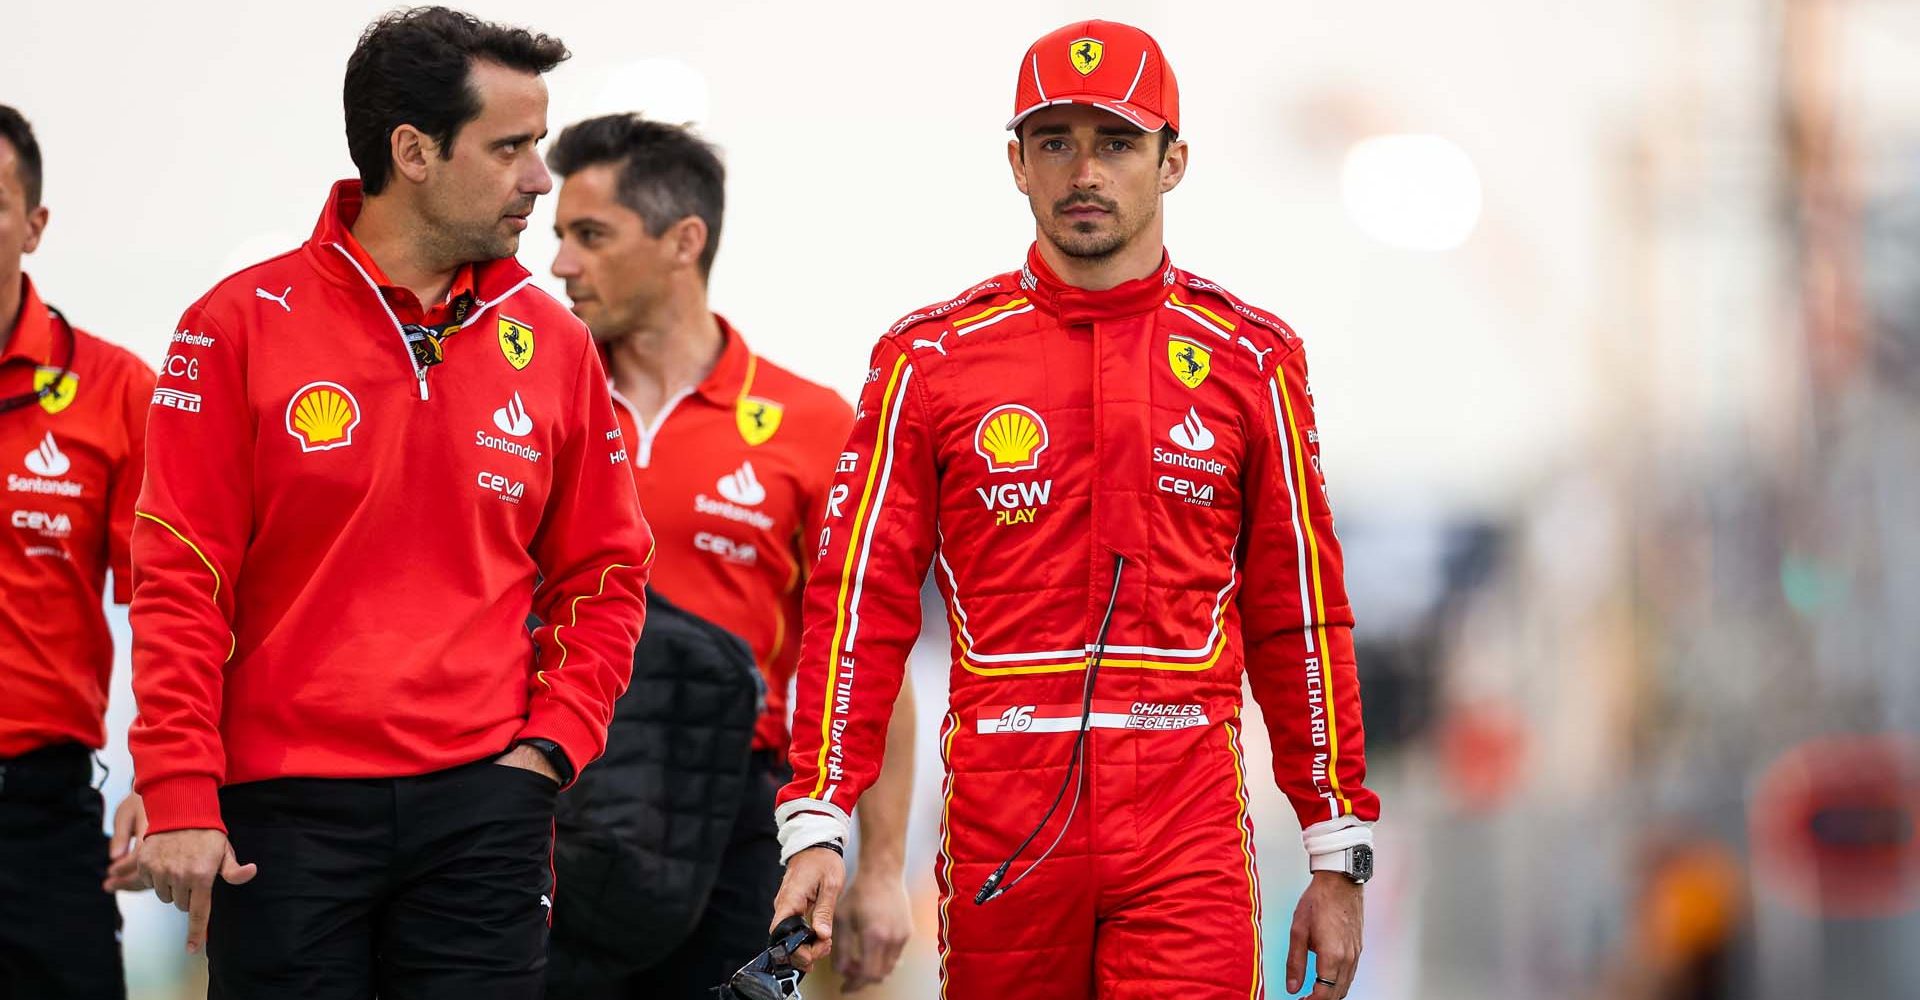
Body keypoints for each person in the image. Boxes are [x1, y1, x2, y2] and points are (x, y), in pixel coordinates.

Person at [770, 19, 1383, 1000]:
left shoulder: (1251, 360)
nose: (1084, 170)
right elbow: (859, 603)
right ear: (1015, 162)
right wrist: (819, 817)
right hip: (1006, 817)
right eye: (1055, 141)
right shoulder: (929, 360)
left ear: (1172, 161)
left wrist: (1334, 839)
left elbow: (1299, 612)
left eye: (1116, 142)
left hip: (1188, 813)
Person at [128, 9, 652, 997]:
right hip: (281, 816)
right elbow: (178, 582)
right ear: (411, 151)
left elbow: (607, 573)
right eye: (511, 146)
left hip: (485, 809)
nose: (539, 176)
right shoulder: (233, 326)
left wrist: (554, 744)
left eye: (537, 144)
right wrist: (179, 789)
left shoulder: (556, 344)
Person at [547, 114, 917, 996]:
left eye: (590, 236)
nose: (562, 263)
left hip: (735, 827)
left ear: (684, 241)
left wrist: (880, 870)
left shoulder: (811, 424)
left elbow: (872, 662)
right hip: (549, 806)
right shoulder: (527, 405)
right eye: (560, 236)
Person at [0, 102, 155, 1000]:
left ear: (34, 225)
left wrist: (173, 777)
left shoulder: (112, 390)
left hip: (39, 817)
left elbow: (172, 607)